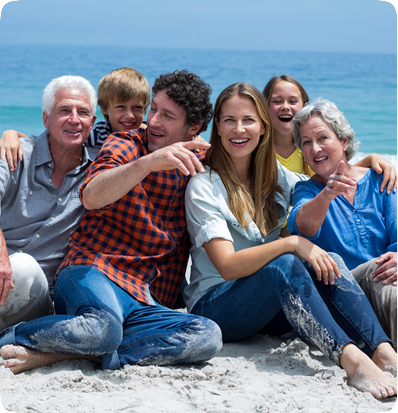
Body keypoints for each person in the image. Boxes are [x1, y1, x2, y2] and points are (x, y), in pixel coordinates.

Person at [183, 82, 398, 398]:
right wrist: (291, 243)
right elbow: (227, 267)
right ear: (218, 127)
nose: (238, 129)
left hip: (269, 308)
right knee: (287, 260)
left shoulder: (277, 179)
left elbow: (324, 171)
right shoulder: (203, 186)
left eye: (248, 120)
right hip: (218, 305)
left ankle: (384, 353)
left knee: (330, 261)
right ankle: (352, 362)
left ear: (263, 128)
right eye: (229, 120)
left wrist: (369, 161)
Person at [0, 70, 222, 374]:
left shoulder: (199, 163)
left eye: (167, 116)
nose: (152, 121)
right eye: (153, 109)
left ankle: (66, 354)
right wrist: (149, 162)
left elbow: (249, 157)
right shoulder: (125, 144)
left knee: (207, 335)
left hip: (145, 296)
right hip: (95, 272)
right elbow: (91, 195)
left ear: (193, 128)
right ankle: (10, 337)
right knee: (101, 330)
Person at [287, 97, 398, 348]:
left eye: (323, 138)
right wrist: (327, 194)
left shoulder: (379, 178)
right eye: (306, 143)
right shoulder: (307, 190)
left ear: (344, 140)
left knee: (389, 276)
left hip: (386, 278)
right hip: (344, 294)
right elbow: (302, 227)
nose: (315, 149)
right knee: (385, 280)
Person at [0, 75, 99, 331]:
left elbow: (141, 142)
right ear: (46, 119)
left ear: (93, 122)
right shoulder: (15, 154)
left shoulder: (99, 172)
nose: (74, 119)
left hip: (38, 296)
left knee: (22, 265)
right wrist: (2, 260)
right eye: (64, 110)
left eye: (83, 112)